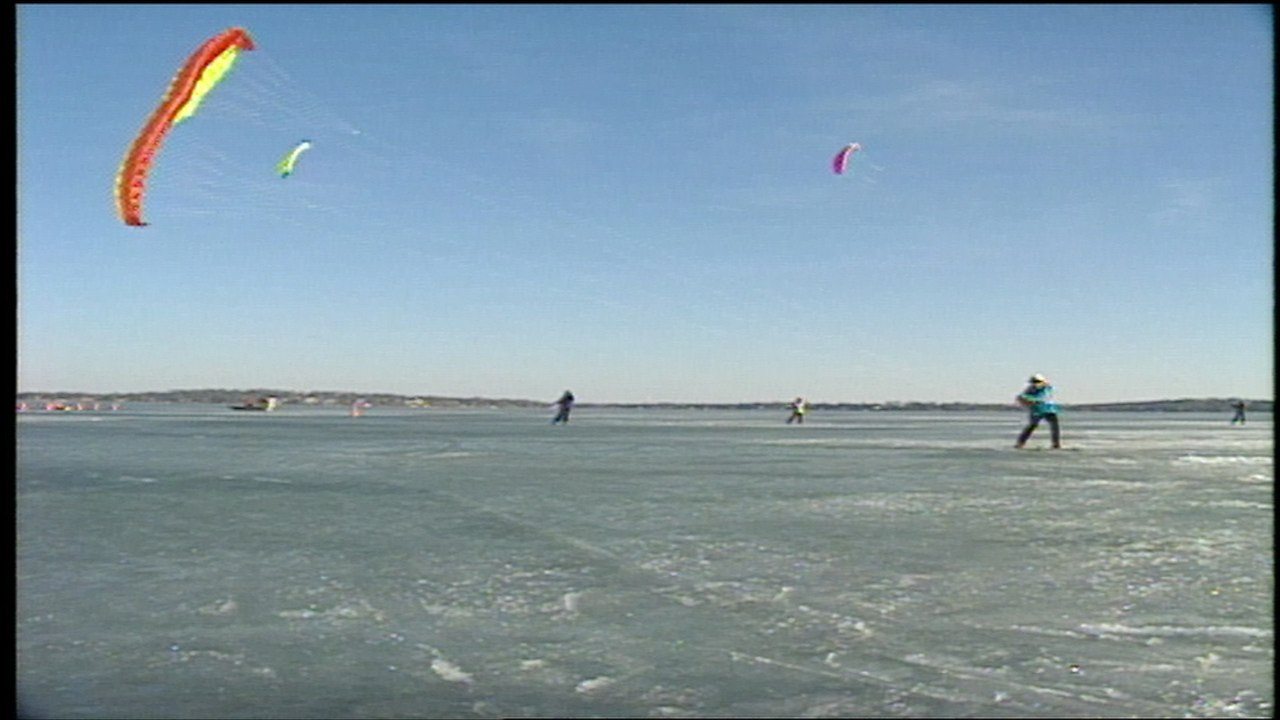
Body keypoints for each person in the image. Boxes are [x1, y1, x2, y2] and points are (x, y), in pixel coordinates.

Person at [1015, 374, 1061, 449]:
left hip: (1049, 409)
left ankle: (1056, 444)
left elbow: (1044, 396)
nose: (1035, 383)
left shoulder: (1047, 388)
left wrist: (1032, 399)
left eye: (1037, 382)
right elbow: (1023, 397)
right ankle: (1020, 443)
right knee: (1032, 426)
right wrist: (1029, 400)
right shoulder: (1030, 389)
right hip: (1037, 410)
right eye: (1034, 382)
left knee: (1055, 426)